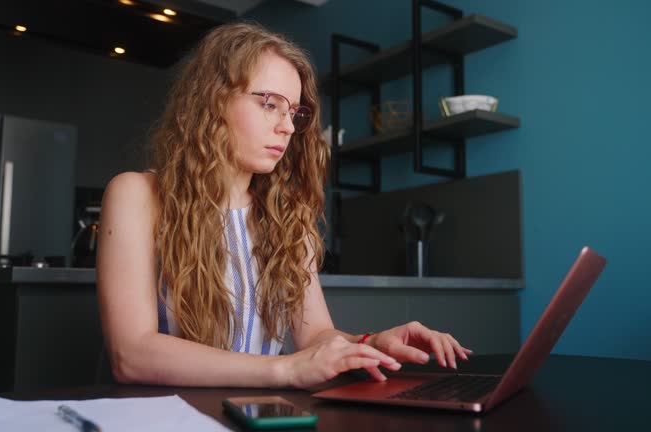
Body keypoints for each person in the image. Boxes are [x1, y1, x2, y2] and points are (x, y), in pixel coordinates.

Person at [96, 22, 472, 389]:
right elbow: (131, 355)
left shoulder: (288, 214)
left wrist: (368, 344)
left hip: (259, 415)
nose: (288, 127)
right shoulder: (138, 195)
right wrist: (284, 371)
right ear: (212, 100)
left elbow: (314, 336)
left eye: (293, 111)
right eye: (269, 104)